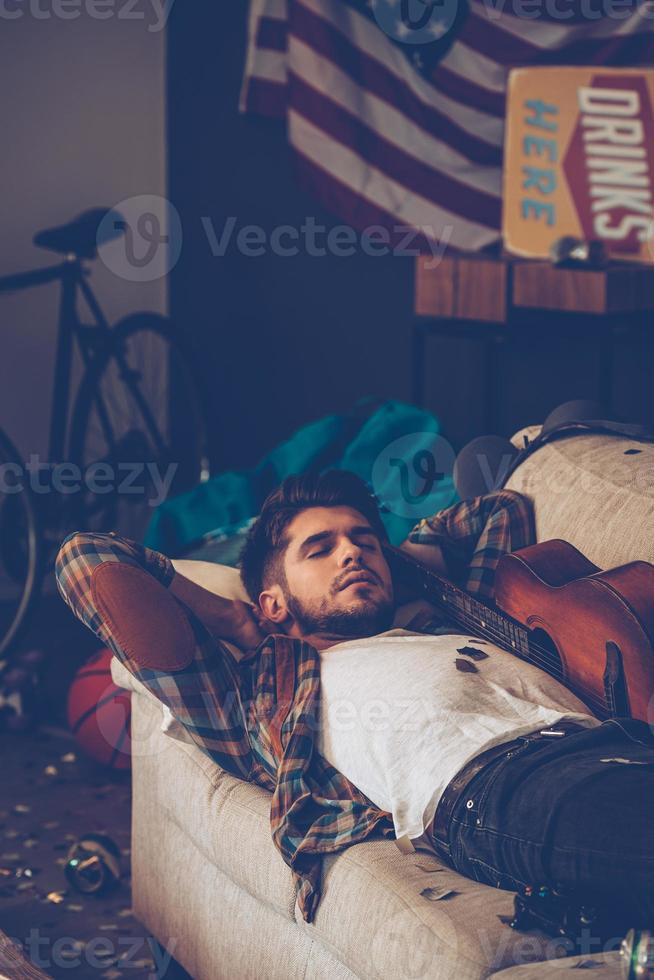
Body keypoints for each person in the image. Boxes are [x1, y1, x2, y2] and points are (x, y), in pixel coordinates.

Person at [55, 470, 654, 932]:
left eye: (363, 541)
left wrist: (392, 564)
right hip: (498, 789)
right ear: (272, 601)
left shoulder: (458, 617)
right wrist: (233, 617)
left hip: (614, 740)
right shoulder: (262, 693)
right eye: (319, 549)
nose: (351, 553)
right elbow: (86, 558)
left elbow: (497, 511)